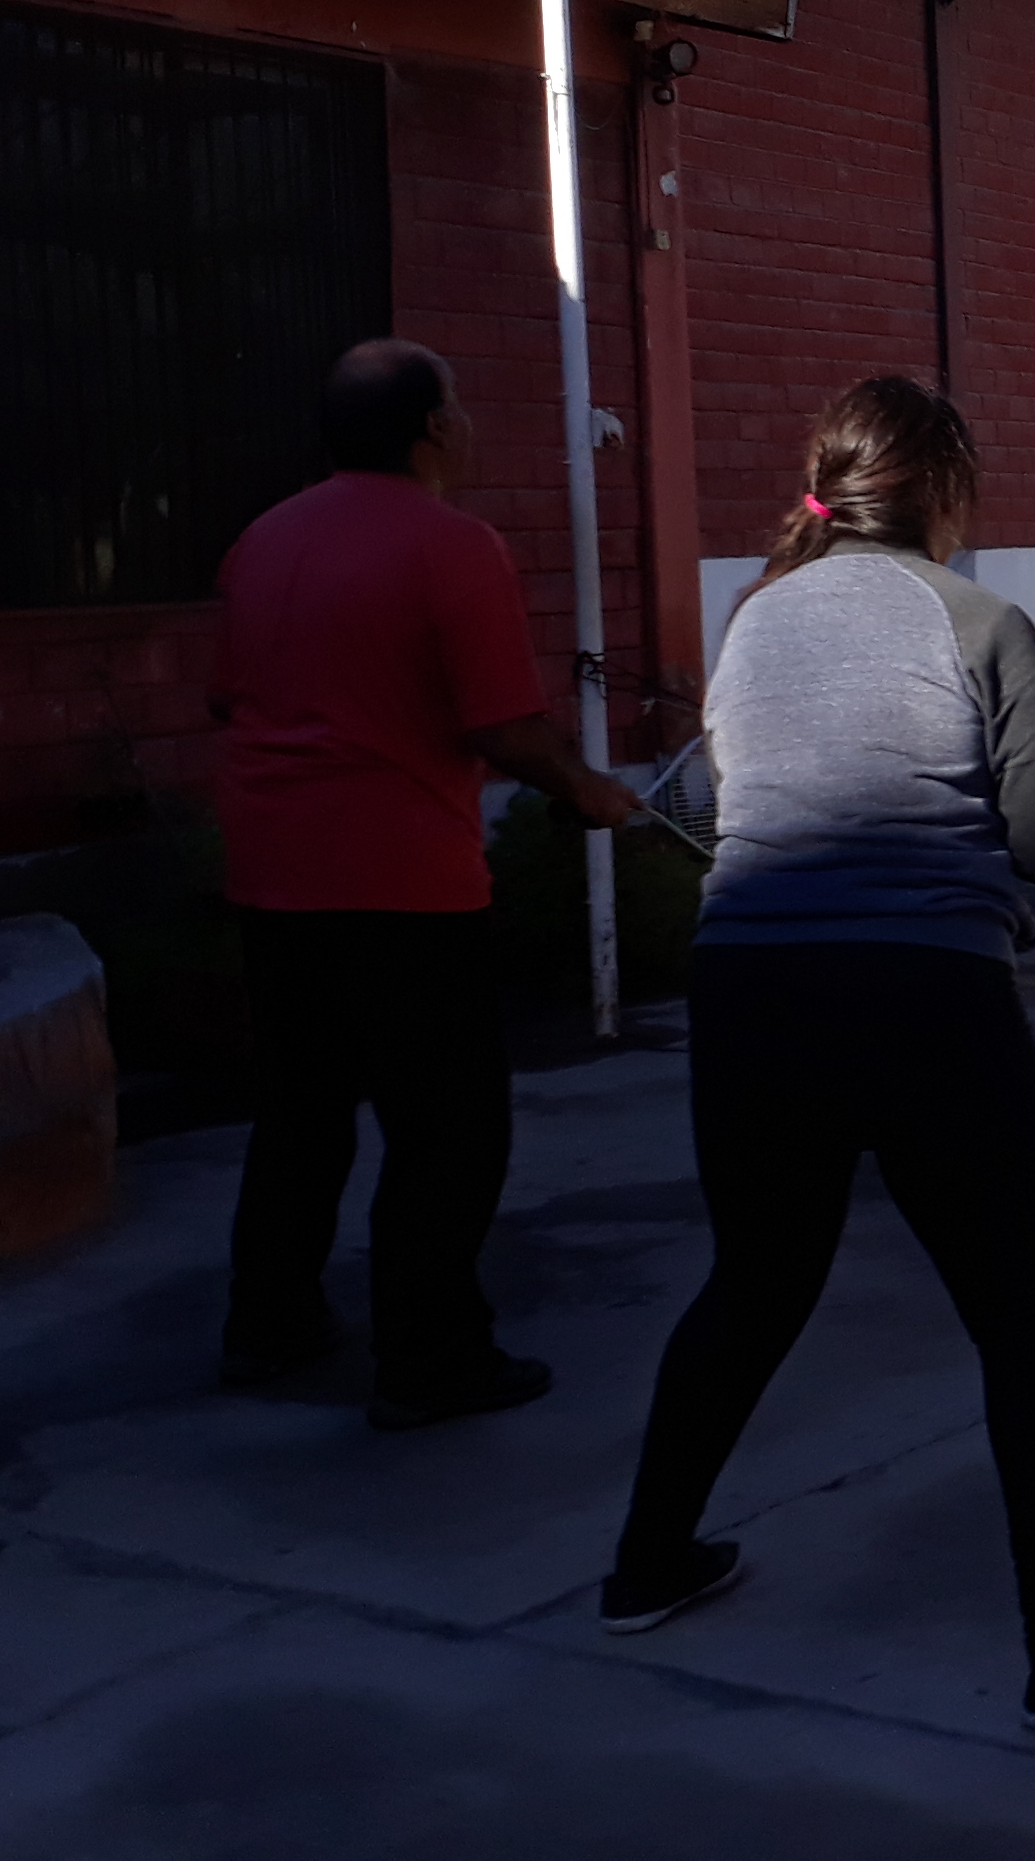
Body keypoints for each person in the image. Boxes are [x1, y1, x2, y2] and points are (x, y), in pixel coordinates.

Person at [599, 375, 1035, 1733]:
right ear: (944, 486)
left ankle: (645, 1562)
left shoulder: (754, 617)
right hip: (925, 998)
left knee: (753, 1285)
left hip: (747, 994)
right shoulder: (979, 620)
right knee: (1022, 1320)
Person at [211, 339, 637, 1427]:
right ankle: (430, 1357)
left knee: (301, 1111)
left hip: (270, 869)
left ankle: (269, 1322)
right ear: (434, 428)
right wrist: (587, 789)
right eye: (459, 406)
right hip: (401, 876)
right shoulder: (454, 546)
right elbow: (500, 724)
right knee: (447, 1129)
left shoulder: (263, 539)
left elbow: (228, 698)